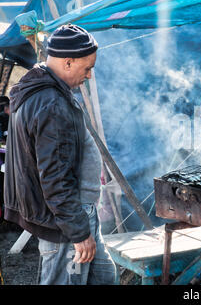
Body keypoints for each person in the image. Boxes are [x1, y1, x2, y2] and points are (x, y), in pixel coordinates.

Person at [4, 24, 117, 285]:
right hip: (66, 222)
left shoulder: (40, 89)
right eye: (87, 68)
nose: (89, 76)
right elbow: (55, 178)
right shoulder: (51, 104)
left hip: (77, 213)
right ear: (68, 63)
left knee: (105, 278)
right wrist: (78, 232)